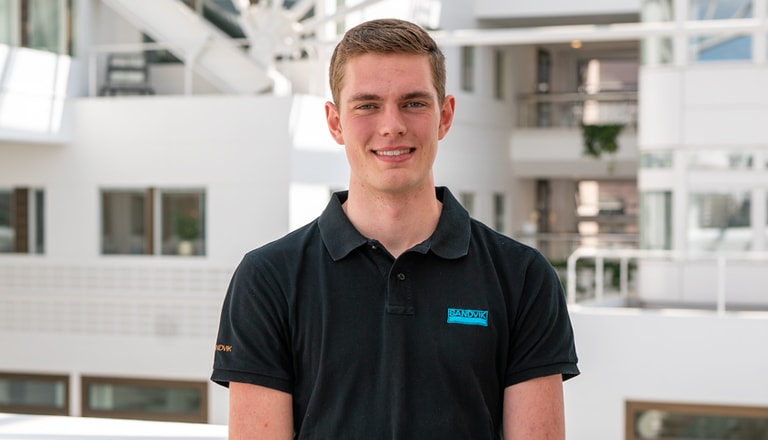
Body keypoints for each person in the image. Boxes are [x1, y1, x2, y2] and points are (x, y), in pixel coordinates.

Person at [212, 18, 579, 439]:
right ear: (335, 122)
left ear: (444, 116)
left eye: (414, 103)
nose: (392, 126)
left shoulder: (522, 277)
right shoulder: (267, 280)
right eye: (367, 105)